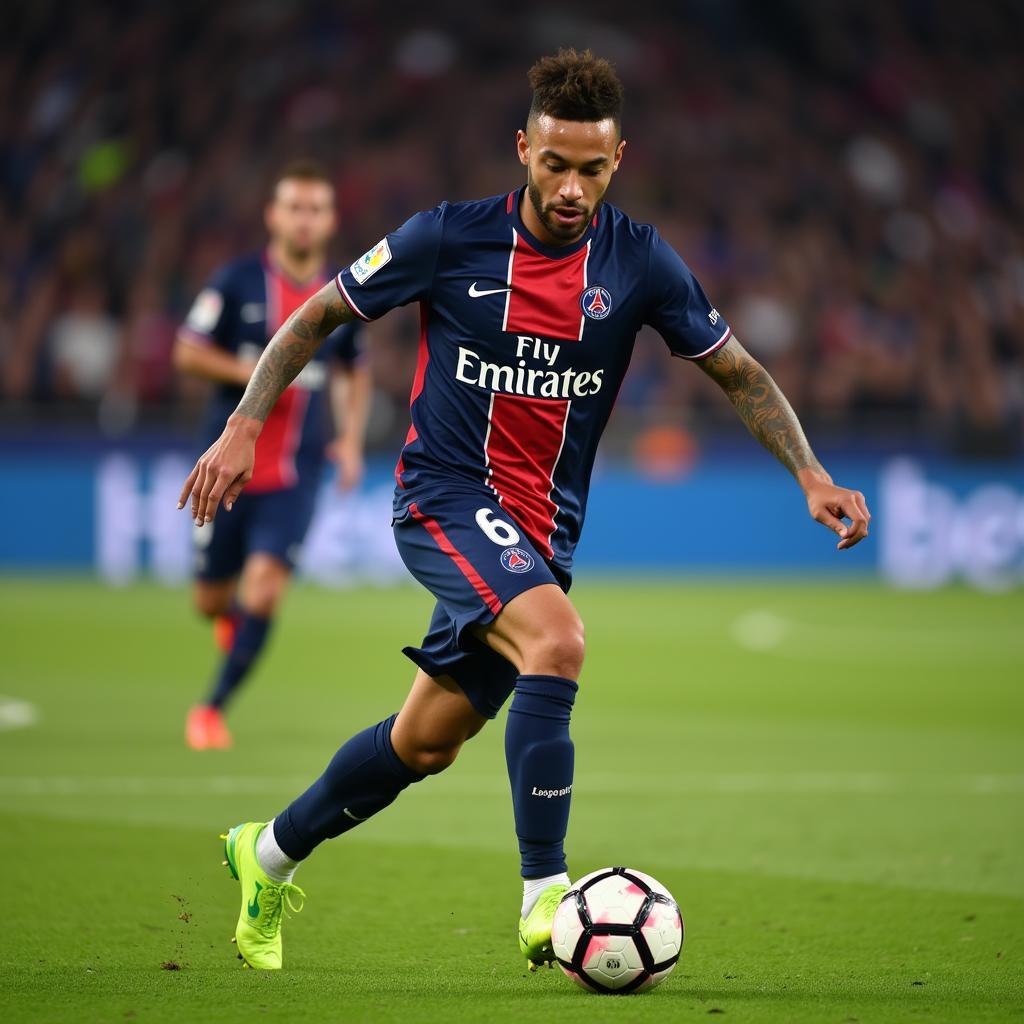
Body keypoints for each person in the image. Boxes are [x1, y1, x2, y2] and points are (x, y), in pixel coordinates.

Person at [178, 50, 870, 970]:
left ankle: (264, 853)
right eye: (555, 163)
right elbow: (312, 319)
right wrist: (243, 427)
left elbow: (737, 372)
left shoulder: (640, 261)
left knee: (424, 743)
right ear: (523, 149)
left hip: (540, 533)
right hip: (443, 501)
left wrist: (810, 474)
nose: (572, 186)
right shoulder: (446, 238)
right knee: (559, 641)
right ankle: (546, 893)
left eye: (592, 168)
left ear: (619, 159)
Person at [174, 160, 371, 751]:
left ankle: (210, 709)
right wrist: (260, 369)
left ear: (331, 219)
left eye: (315, 209)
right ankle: (229, 622)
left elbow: (353, 369)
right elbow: (186, 352)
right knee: (210, 601)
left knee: (264, 588)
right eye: (294, 207)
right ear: (273, 215)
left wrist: (353, 439)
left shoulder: (344, 293)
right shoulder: (235, 282)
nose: (304, 220)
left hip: (295, 473)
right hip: (227, 466)